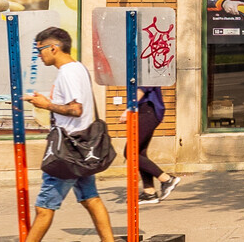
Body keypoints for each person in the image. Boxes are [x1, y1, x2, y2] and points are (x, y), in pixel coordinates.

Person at [25, 26, 116, 242]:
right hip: (81, 147)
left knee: (44, 207)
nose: (39, 56)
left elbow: (76, 110)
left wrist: (46, 105)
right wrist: (48, 102)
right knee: (90, 199)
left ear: (54, 48)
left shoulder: (67, 72)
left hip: (67, 151)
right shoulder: (79, 68)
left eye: (41, 50)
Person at [135, 84, 180, 204]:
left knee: (130, 152)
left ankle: (167, 179)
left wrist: (129, 107)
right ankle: (149, 192)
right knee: (139, 152)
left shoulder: (143, 66)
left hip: (148, 109)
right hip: (145, 110)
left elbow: (143, 87)